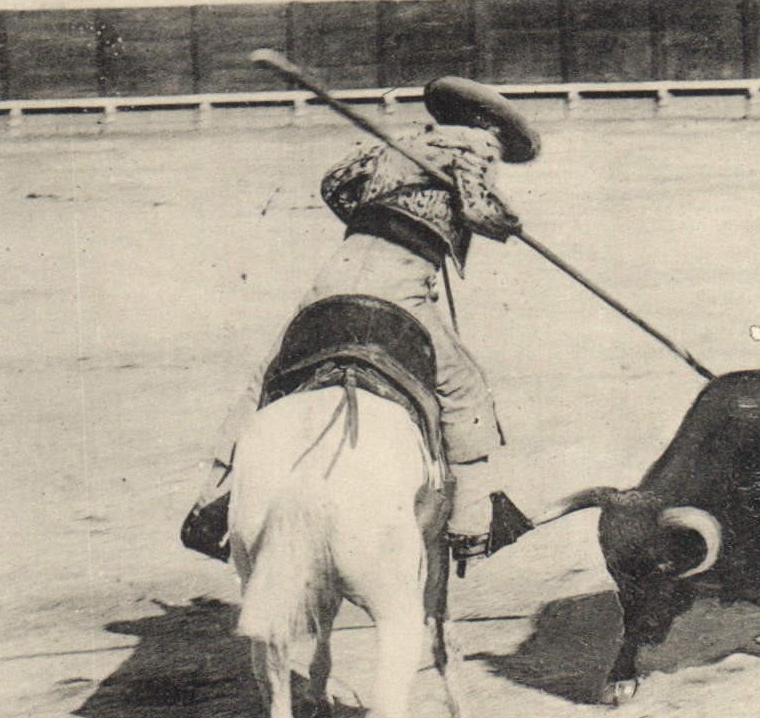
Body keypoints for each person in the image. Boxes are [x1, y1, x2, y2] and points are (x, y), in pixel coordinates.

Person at [181, 77, 540, 568]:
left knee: (269, 374)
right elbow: (480, 207)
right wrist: (509, 223)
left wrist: (378, 213)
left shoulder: (401, 141)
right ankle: (472, 525)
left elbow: (334, 184)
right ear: (485, 124)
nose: (496, 144)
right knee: (466, 388)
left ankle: (213, 501)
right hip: (400, 285)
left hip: (336, 275)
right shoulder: (476, 145)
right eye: (497, 134)